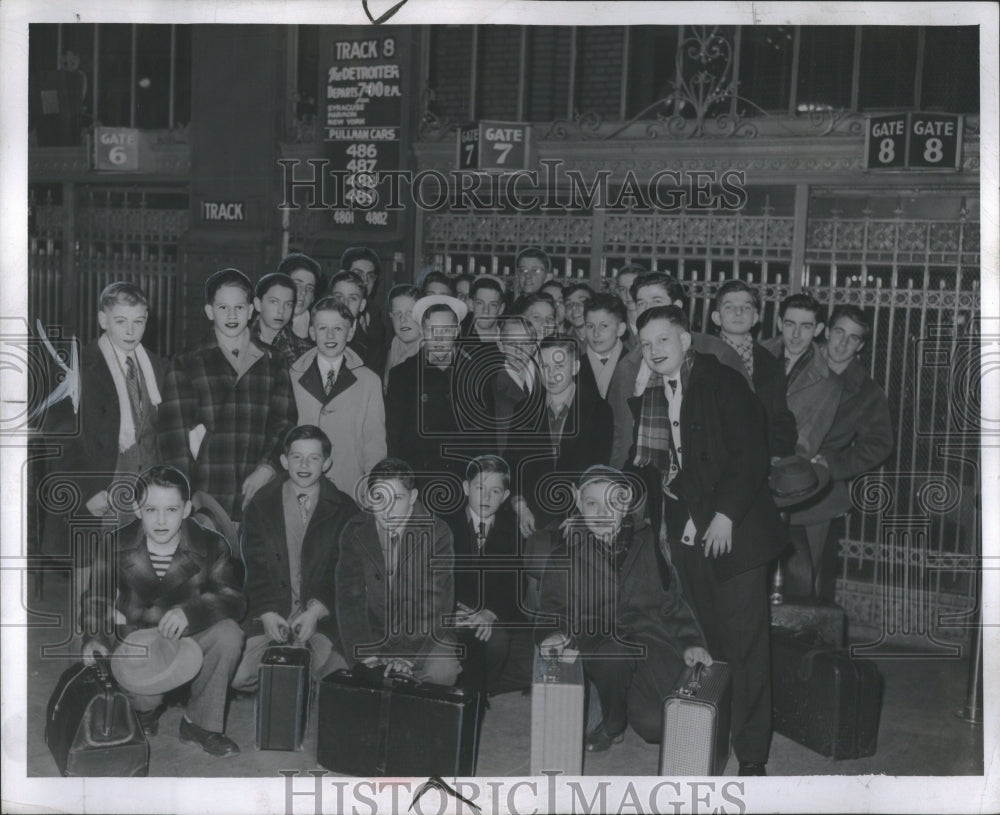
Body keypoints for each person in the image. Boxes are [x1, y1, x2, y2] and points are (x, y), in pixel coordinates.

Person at [629, 306, 786, 775]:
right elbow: (661, 465)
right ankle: (712, 736)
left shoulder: (722, 382)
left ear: (685, 340)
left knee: (747, 646)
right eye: (646, 344)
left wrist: (724, 516)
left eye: (663, 341)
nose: (655, 351)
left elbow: (751, 455)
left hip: (736, 531)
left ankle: (753, 755)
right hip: (690, 531)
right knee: (710, 642)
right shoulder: (655, 390)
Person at [535, 466, 710, 751]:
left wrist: (691, 642)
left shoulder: (652, 542)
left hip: (649, 643)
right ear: (579, 502)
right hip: (601, 643)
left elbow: (672, 602)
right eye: (592, 503)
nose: (603, 513)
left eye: (613, 502)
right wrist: (553, 633)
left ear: (626, 502)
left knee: (656, 726)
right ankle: (613, 723)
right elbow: (552, 609)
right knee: (613, 654)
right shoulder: (565, 554)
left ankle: (615, 697)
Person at [81, 465, 245, 756]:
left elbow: (233, 598)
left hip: (188, 639)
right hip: (137, 640)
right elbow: (96, 599)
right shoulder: (114, 544)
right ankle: (143, 714)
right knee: (146, 699)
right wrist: (95, 639)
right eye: (151, 509)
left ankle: (199, 724)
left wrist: (191, 612)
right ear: (135, 509)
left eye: (170, 510)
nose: (160, 521)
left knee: (229, 634)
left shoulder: (211, 544)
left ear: (186, 510)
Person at [50, 282, 166, 623]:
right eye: (121, 321)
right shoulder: (78, 366)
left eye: (139, 321)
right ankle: (84, 663)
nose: (131, 331)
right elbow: (61, 440)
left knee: (132, 583)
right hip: (100, 487)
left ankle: (125, 665)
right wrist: (86, 491)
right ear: (103, 319)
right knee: (91, 585)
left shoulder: (157, 367)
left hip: (142, 487)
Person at [158, 268, 296, 522]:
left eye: (239, 307)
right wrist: (187, 495)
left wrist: (267, 468)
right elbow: (173, 438)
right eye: (223, 308)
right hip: (207, 495)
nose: (232, 315)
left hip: (260, 492)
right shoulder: (187, 362)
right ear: (209, 311)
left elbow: (285, 422)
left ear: (251, 309)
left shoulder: (273, 361)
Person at [232, 425, 357, 691]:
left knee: (335, 675)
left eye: (314, 458)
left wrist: (316, 610)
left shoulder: (345, 508)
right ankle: (282, 678)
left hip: (320, 615)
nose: (304, 464)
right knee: (238, 675)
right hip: (271, 611)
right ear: (284, 461)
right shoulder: (260, 505)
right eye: (297, 457)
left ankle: (294, 679)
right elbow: (253, 568)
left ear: (326, 464)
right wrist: (266, 612)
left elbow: (346, 572)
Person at [788, 305, 893, 602]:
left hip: (816, 494)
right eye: (838, 332)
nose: (842, 343)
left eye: (852, 337)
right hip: (770, 479)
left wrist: (832, 464)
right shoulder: (796, 359)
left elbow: (880, 443)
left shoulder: (866, 391)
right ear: (826, 331)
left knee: (805, 579)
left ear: (860, 345)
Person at [606, 271, 750, 470]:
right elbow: (620, 436)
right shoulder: (628, 365)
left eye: (656, 301)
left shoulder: (717, 354)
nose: (647, 310)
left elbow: (745, 432)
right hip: (645, 480)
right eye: (641, 303)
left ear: (677, 307)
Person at [335, 458, 460, 684]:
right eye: (379, 498)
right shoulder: (354, 530)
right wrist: (366, 655)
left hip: (425, 635)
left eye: (398, 498)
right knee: (332, 670)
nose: (388, 509)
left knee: (443, 670)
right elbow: (349, 600)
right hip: (373, 633)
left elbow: (436, 603)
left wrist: (407, 657)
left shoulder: (437, 532)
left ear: (412, 498)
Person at [445, 456, 533, 695]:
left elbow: (516, 581)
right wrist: (454, 611)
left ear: (505, 497)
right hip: (456, 615)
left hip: (493, 613)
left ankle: (478, 687)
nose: (485, 498)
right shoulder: (445, 527)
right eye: (479, 488)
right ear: (466, 488)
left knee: (535, 667)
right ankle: (474, 690)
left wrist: (490, 612)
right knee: (496, 643)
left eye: (494, 491)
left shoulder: (511, 529)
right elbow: (436, 577)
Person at [289, 297, 386, 498]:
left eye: (338, 329)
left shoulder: (369, 381)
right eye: (322, 328)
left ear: (350, 333)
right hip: (303, 481)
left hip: (350, 484)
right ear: (311, 332)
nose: (330, 335)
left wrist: (373, 485)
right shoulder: (292, 376)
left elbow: (374, 442)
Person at [526, 335, 613, 528]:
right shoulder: (524, 409)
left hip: (578, 517)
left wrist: (581, 515)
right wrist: (520, 505)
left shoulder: (598, 410)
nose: (551, 375)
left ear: (575, 367)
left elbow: (599, 470)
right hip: (531, 518)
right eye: (544, 366)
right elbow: (515, 463)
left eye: (559, 366)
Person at [384, 295, 472, 480]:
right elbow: (393, 436)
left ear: (457, 331)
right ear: (422, 331)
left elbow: (484, 438)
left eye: (446, 330)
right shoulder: (403, 375)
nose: (439, 338)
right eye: (432, 330)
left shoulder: (474, 375)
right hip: (418, 474)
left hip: (463, 476)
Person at [710, 280, 797, 459]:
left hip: (755, 459)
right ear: (717, 318)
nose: (739, 312)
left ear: (755, 318)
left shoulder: (771, 364)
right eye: (729, 307)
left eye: (746, 307)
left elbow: (781, 417)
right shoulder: (702, 355)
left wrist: (777, 453)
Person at [762, 292, 843, 458]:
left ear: (818, 329)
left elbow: (807, 441)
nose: (796, 334)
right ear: (779, 323)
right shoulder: (755, 355)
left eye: (806, 326)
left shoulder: (829, 384)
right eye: (790, 324)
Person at [340, 247, 389, 377]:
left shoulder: (374, 312)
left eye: (370, 276)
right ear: (343, 275)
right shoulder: (332, 312)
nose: (365, 281)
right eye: (358, 273)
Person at [249, 272, 311, 368]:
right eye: (274, 302)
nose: (281, 311)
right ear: (258, 304)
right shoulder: (238, 342)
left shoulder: (304, 350)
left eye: (288, 304)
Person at [581, 292, 629, 400]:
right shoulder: (574, 366)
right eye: (590, 326)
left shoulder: (636, 365)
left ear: (620, 329)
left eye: (604, 326)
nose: (596, 333)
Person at [382, 283, 423, 390]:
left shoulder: (430, 355)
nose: (402, 319)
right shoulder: (394, 345)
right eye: (397, 313)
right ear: (391, 316)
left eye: (409, 313)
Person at [280, 253, 322, 345]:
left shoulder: (319, 331)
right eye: (297, 285)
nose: (303, 292)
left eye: (309, 288)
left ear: (313, 298)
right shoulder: (260, 323)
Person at [463, 275, 506, 344]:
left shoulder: (509, 341)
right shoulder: (457, 341)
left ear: (501, 308)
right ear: (471, 305)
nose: (486, 310)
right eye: (480, 303)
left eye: (493, 305)